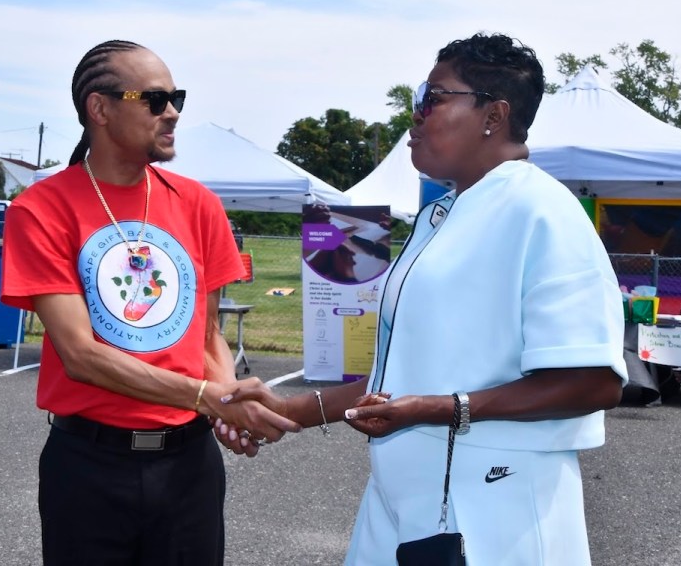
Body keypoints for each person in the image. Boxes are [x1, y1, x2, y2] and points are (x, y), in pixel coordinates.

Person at [221, 32, 627, 565]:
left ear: (493, 115)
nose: (415, 115)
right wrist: (288, 410)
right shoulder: (442, 215)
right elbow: (405, 378)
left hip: (492, 508)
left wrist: (438, 409)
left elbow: (594, 380)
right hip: (404, 502)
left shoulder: (542, 211)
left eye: (431, 97)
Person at [0, 40, 300, 566]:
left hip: (190, 465)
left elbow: (207, 336)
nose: (173, 112)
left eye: (177, 96)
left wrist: (227, 400)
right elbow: (80, 354)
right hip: (88, 468)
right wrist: (209, 395)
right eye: (155, 99)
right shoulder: (41, 210)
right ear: (99, 108)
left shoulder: (198, 203)